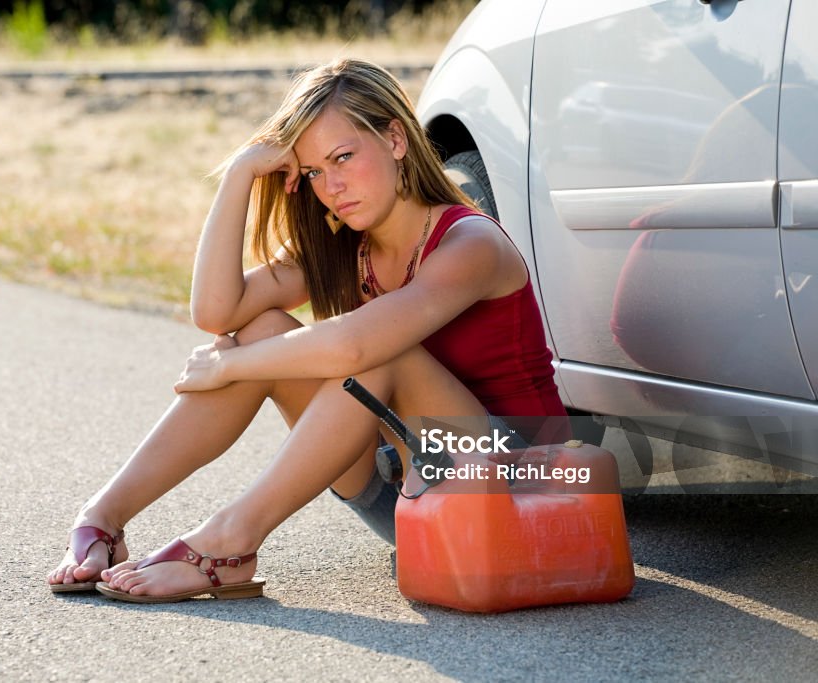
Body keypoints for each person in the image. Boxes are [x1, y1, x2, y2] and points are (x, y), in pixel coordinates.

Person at [46, 58, 568, 602]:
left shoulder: (470, 244)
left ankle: (230, 541)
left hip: (521, 488)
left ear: (395, 139)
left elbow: (358, 345)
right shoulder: (347, 243)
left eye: (344, 157)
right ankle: (103, 518)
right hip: (404, 491)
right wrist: (239, 175)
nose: (333, 186)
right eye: (315, 171)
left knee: (379, 353)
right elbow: (218, 312)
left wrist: (227, 364)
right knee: (263, 327)